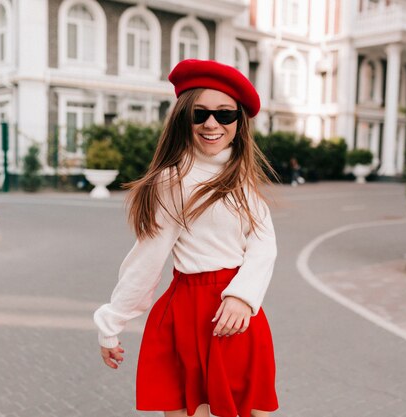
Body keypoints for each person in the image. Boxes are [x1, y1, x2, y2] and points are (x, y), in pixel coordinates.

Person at [93, 59, 279, 417]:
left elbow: (263, 244)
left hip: (237, 312)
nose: (212, 123)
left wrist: (243, 296)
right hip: (187, 314)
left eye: (225, 115)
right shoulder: (171, 181)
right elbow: (148, 257)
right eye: (200, 114)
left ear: (239, 123)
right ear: (184, 119)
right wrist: (111, 321)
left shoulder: (243, 178)